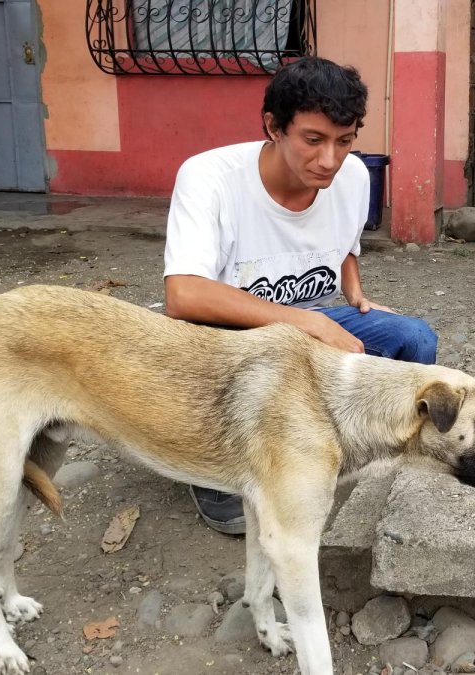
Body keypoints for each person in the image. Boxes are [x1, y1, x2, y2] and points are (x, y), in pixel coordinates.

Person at [162, 56, 438, 535]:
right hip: (222, 341)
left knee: (413, 341)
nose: (330, 159)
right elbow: (182, 295)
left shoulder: (351, 176)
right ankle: (214, 469)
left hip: (305, 329)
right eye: (313, 140)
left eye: (345, 140)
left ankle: (348, 447)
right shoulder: (209, 178)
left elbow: (345, 245)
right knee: (212, 348)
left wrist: (355, 295)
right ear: (274, 126)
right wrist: (306, 322)